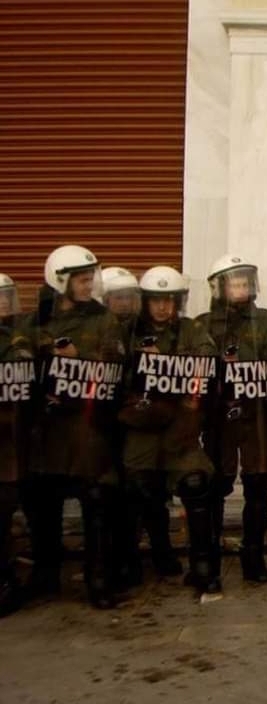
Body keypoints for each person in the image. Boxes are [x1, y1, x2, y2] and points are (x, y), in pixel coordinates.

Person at [18, 245, 125, 608]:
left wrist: (82, 359)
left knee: (96, 501)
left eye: (89, 278)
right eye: (81, 279)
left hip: (86, 429)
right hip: (44, 432)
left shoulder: (102, 319)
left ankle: (98, 578)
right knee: (40, 504)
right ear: (60, 280)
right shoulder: (34, 322)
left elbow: (115, 364)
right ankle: (45, 574)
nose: (88, 285)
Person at [118, 267, 220, 596]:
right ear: (145, 302)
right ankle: (150, 557)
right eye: (157, 301)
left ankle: (203, 567)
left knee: (196, 481)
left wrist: (167, 362)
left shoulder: (192, 329)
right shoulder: (127, 331)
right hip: (141, 431)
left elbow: (207, 362)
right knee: (137, 489)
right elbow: (109, 368)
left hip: (181, 429)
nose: (163, 307)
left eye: (170, 300)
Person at [194, 255, 267, 588]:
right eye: (235, 283)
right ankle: (208, 560)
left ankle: (253, 557)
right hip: (220, 419)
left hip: (256, 415)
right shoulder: (203, 323)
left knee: (258, 485)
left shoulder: (266, 320)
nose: (242, 289)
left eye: (246, 282)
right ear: (219, 287)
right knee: (216, 486)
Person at [0, 274, 32, 616]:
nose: (6, 303)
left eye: (8, 297)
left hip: (9, 438)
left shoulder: (21, 336)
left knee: (4, 506)